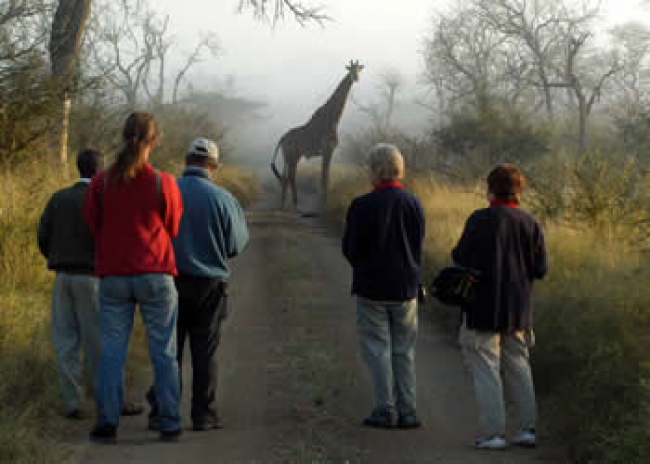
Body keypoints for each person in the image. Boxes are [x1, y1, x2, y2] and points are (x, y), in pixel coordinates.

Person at [83, 112, 183, 443]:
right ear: (154, 141)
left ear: (122, 135)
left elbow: (93, 224)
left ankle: (108, 422)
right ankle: (169, 422)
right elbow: (173, 227)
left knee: (112, 351)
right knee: (164, 352)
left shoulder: (100, 182)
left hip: (113, 276)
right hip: (155, 273)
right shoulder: (163, 182)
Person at [147, 137, 249, 432]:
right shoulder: (225, 199)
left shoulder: (165, 191)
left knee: (169, 350)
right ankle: (203, 415)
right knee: (204, 352)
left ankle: (161, 412)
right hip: (210, 285)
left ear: (185, 160)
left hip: (169, 281)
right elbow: (235, 245)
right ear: (214, 166)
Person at [37, 149, 144, 420]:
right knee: (102, 342)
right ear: (100, 170)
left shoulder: (58, 198)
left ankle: (73, 402)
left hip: (62, 278)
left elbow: (43, 236)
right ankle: (112, 400)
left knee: (65, 342)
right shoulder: (105, 197)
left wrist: (58, 257)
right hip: (94, 278)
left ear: (78, 168)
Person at [452, 163, 548, 450]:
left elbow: (460, 256)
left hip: (481, 307)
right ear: (519, 190)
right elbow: (540, 269)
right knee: (519, 367)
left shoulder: (479, 219)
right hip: (519, 308)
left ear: (490, 188)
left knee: (486, 368)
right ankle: (527, 430)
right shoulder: (531, 223)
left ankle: (494, 433)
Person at [342, 143, 425, 429]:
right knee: (404, 350)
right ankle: (408, 411)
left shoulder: (361, 205)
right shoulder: (414, 203)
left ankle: (384, 409)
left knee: (378, 349)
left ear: (376, 171)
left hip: (371, 288)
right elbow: (417, 246)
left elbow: (350, 249)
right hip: (406, 288)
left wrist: (365, 266)